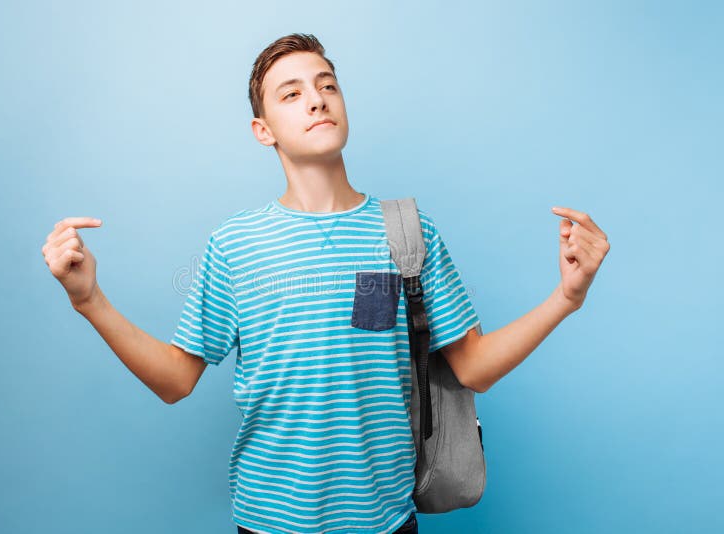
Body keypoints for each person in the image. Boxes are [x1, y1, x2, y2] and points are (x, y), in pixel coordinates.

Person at [41, 33, 610, 534]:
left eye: (327, 85)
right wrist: (89, 300)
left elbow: (473, 365)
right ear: (263, 130)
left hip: (385, 522)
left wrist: (566, 298)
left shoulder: (407, 232)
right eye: (291, 93)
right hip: (269, 523)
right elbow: (175, 379)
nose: (316, 98)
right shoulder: (234, 245)